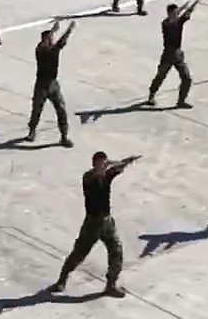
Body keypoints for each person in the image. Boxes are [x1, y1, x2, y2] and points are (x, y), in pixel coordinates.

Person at [50, 151, 141, 299]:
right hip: (92, 223)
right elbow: (98, 175)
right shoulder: (88, 177)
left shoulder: (106, 176)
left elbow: (118, 168)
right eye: (101, 163)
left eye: (104, 162)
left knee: (116, 252)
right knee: (79, 254)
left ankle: (111, 285)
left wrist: (125, 161)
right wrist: (108, 165)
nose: (103, 166)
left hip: (107, 221)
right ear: (94, 164)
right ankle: (61, 280)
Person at [25, 20, 75, 146]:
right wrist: (56, 30)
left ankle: (64, 136)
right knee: (36, 109)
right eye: (48, 39)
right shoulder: (40, 50)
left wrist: (67, 30)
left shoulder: (54, 49)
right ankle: (32, 131)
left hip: (53, 83)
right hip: (41, 84)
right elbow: (51, 43)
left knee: (61, 109)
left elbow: (61, 41)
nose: (51, 40)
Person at [147, 0, 198, 108]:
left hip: (178, 54)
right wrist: (191, 5)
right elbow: (185, 13)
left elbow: (183, 13)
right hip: (168, 55)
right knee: (160, 76)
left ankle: (181, 101)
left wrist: (187, 6)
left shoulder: (171, 22)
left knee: (187, 78)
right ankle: (151, 95)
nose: (176, 15)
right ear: (170, 14)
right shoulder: (169, 24)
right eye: (174, 13)